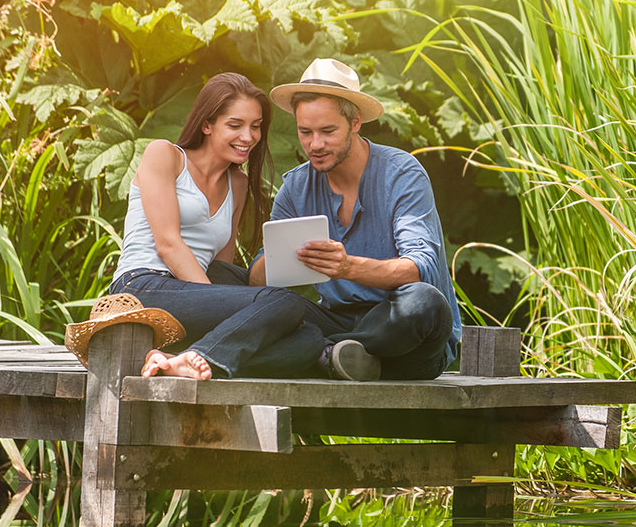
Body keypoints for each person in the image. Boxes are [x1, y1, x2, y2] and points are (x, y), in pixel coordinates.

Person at [249, 58, 461, 380]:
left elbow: (421, 268)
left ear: (356, 122)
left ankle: (324, 352)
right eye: (305, 132)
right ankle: (338, 356)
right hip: (339, 319)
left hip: (405, 338)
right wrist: (279, 261)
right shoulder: (295, 187)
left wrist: (348, 267)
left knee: (425, 302)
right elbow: (258, 280)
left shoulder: (401, 173)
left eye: (328, 131)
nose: (315, 145)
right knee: (246, 292)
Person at [107, 72, 323, 380]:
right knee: (283, 301)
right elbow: (168, 244)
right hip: (143, 287)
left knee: (309, 339)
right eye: (235, 125)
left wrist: (222, 305)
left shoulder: (238, 183)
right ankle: (203, 353)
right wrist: (223, 309)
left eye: (256, 126)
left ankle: (183, 361)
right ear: (206, 125)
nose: (248, 136)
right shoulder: (165, 155)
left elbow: (220, 266)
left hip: (194, 292)